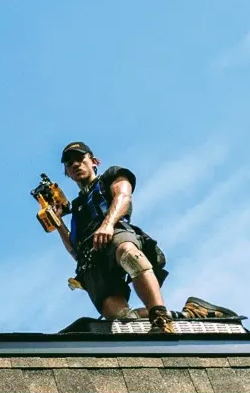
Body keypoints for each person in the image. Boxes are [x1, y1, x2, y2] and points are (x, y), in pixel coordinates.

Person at [51, 141, 173, 333]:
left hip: (114, 233)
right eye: (69, 163)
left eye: (80, 159)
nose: (75, 165)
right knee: (120, 318)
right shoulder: (77, 207)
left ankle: (160, 317)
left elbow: (123, 197)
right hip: (92, 260)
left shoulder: (111, 176)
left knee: (127, 252)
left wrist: (107, 225)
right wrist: (57, 223)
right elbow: (75, 249)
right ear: (67, 172)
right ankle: (183, 315)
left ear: (94, 161)